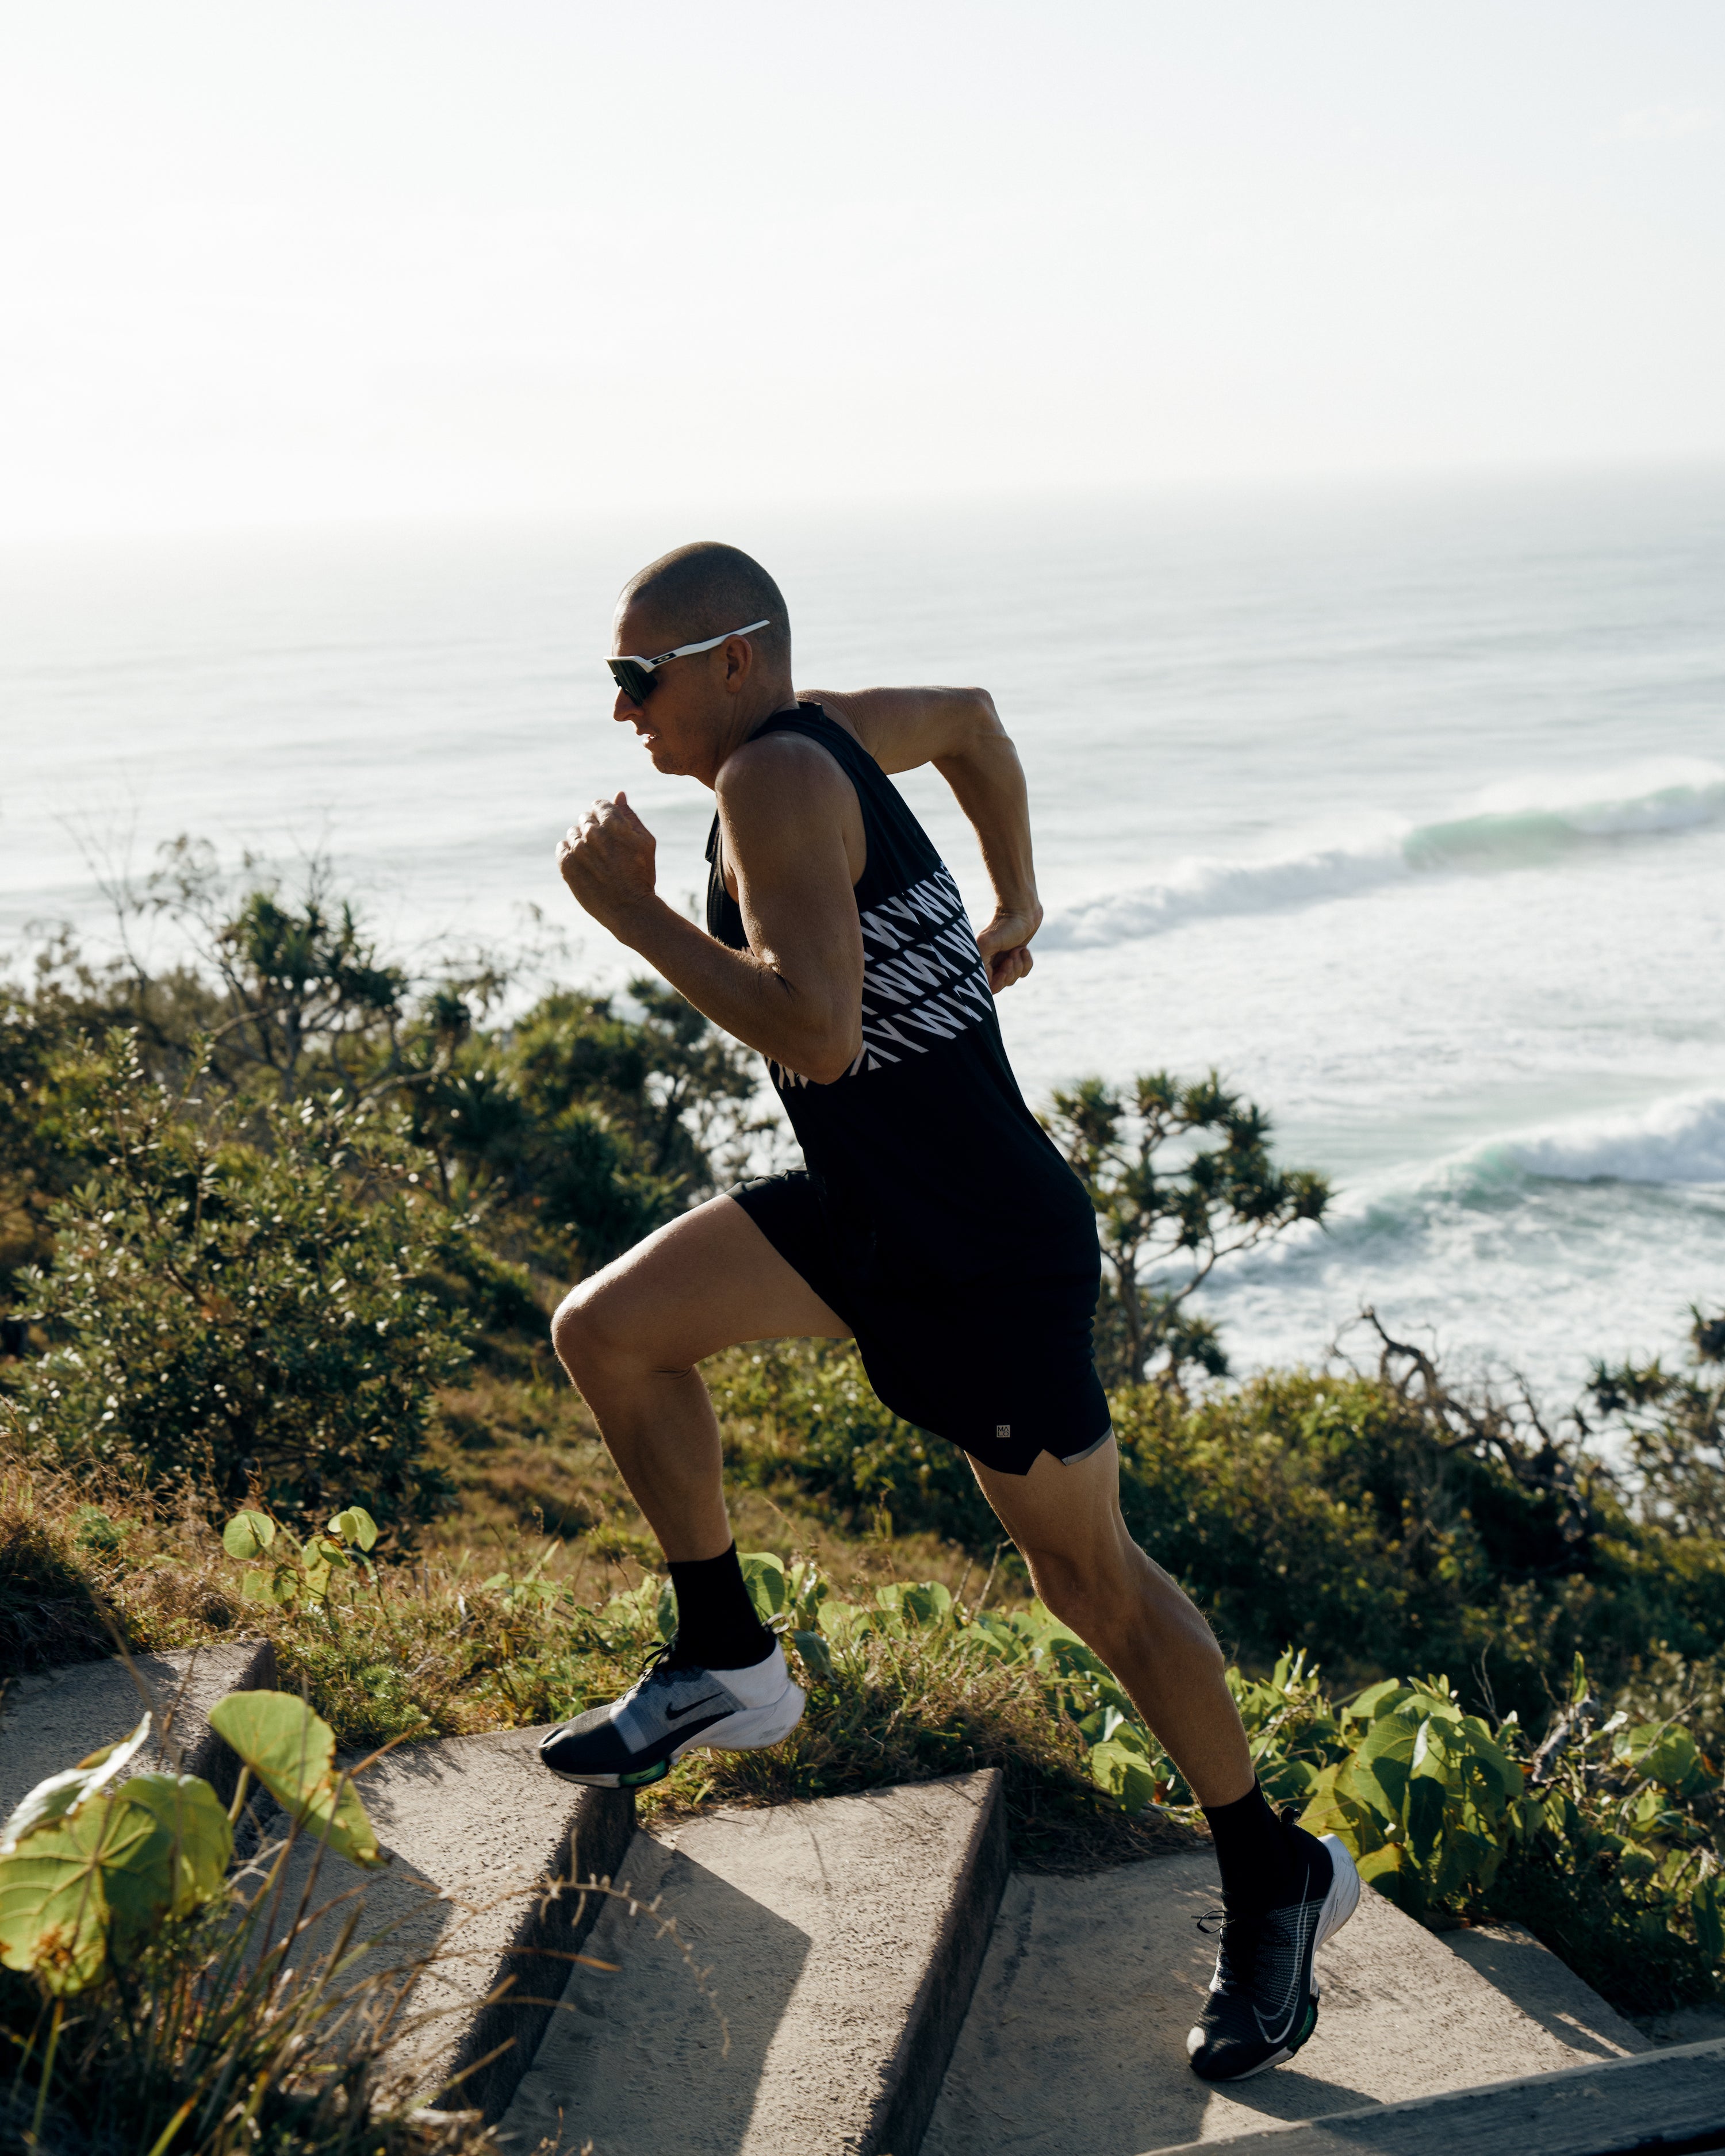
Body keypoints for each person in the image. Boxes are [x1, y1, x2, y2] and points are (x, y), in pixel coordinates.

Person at [538, 540, 1358, 2080]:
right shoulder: (834, 731)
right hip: (872, 1215)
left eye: (638, 678)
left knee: (1092, 1582)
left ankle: (1277, 1874)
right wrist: (1018, 892)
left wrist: (634, 917)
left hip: (979, 1248)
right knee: (612, 1331)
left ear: (732, 660)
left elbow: (820, 1037)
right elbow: (976, 718)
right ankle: (728, 1658)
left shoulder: (774, 778)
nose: (623, 711)